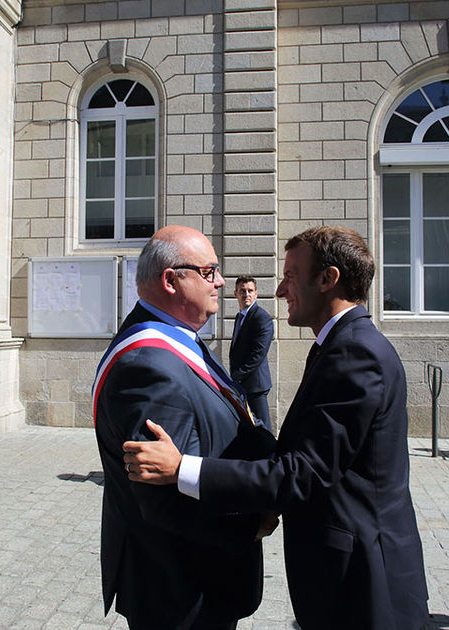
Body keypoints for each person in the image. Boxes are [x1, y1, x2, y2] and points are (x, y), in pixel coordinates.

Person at [124, 226, 429, 630]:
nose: (281, 290)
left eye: (290, 276)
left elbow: (307, 471)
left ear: (327, 279)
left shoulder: (355, 353)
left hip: (364, 579)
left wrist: (183, 469)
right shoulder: (340, 344)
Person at [93, 225, 275, 629]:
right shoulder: (149, 365)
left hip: (194, 582)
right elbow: (164, 500)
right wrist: (252, 520)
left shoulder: (178, 339)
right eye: (209, 272)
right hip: (181, 591)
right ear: (171, 280)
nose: (222, 282)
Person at [228, 276, 273, 429]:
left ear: (256, 294)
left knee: (263, 427)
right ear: (235, 294)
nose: (246, 294)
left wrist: (238, 375)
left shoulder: (262, 318)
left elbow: (258, 353)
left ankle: (271, 454)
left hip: (255, 385)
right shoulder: (239, 317)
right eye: (242, 291)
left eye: (250, 291)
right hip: (242, 384)